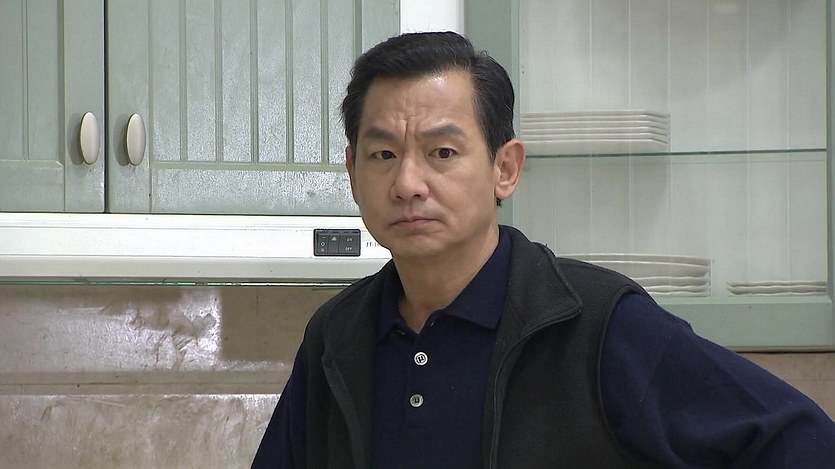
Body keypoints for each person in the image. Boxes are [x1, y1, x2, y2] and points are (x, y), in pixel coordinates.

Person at [252, 31, 835, 468]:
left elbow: (800, 442)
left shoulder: (599, 325)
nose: (407, 183)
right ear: (353, 173)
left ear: (505, 169)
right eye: (383, 155)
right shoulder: (337, 336)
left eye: (442, 153)